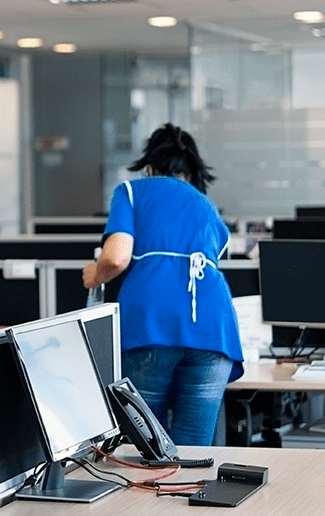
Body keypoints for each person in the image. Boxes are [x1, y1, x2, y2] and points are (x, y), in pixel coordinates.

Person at [82, 124, 243, 446]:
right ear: (192, 171)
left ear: (150, 166)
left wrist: (95, 275)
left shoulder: (132, 191)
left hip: (152, 323)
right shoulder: (206, 207)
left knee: (146, 446)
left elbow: (116, 258)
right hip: (214, 330)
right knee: (193, 448)